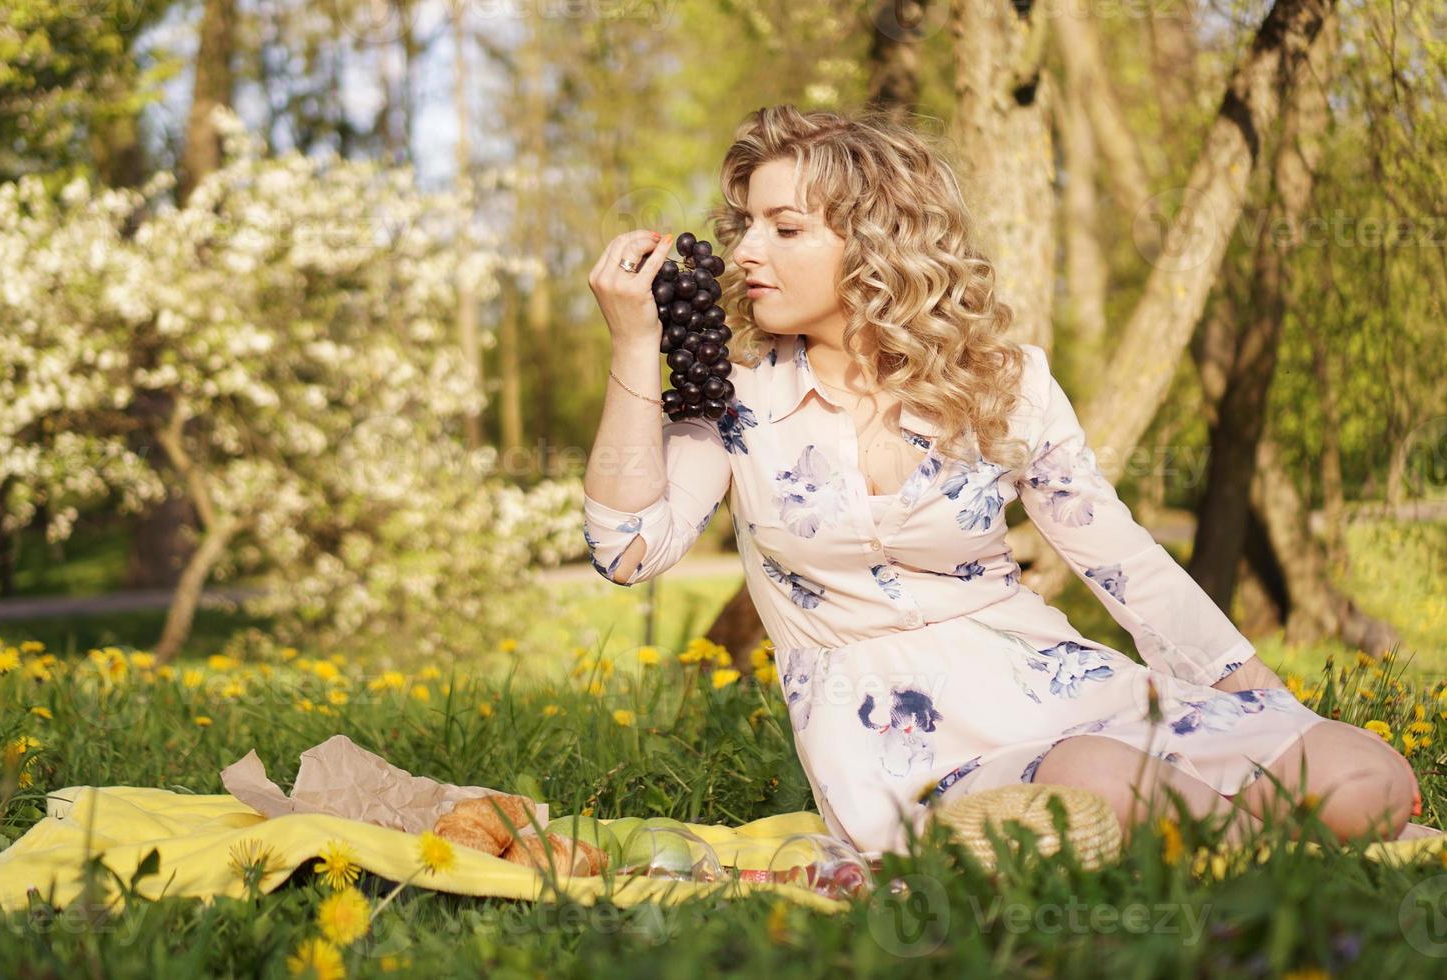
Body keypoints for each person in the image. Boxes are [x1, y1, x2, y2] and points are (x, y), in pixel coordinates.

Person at [581, 104, 1428, 859]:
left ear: (876, 245)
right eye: (745, 225)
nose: (746, 252)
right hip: (901, 742)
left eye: (785, 228)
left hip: (1055, 681)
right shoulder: (732, 398)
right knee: (1098, 778)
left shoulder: (1004, 382)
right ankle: (1267, 854)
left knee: (1367, 772)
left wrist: (1258, 705)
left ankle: (1216, 844)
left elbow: (1122, 562)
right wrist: (630, 346)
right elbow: (625, 550)